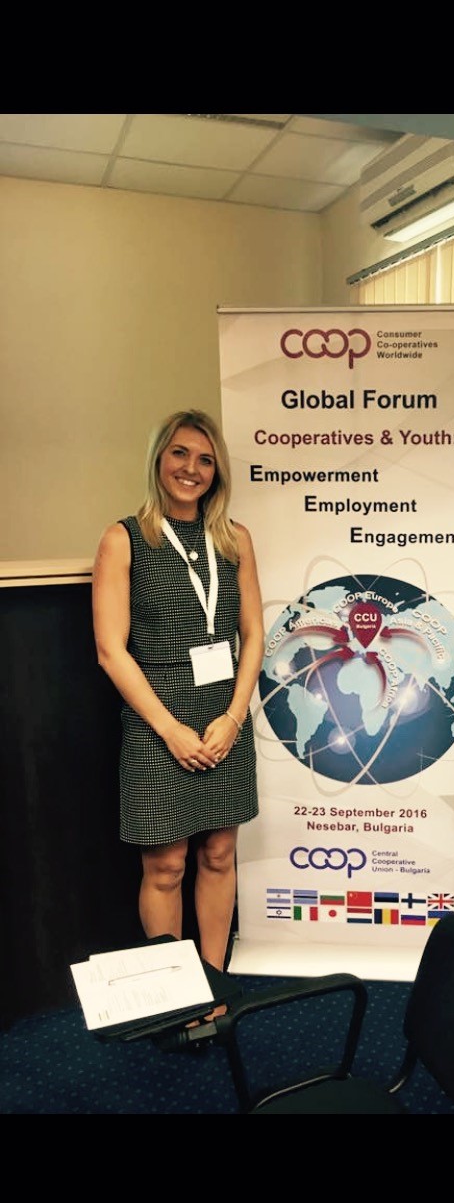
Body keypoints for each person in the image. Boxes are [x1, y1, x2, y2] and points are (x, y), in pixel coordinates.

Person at [92, 409, 263, 996]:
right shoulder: (124, 538)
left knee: (219, 853)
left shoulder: (234, 539)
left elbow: (253, 635)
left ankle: (213, 984)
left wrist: (234, 717)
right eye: (180, 454)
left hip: (224, 716)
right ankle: (177, 995)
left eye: (206, 459)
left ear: (218, 471)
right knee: (165, 865)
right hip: (156, 718)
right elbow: (111, 651)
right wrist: (169, 729)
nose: (192, 469)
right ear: (159, 459)